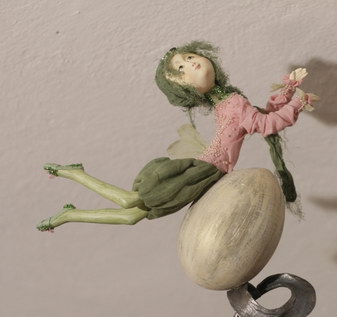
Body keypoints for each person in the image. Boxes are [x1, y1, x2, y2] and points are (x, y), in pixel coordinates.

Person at [37, 41, 316, 232]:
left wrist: (290, 89)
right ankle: (75, 175)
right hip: (205, 169)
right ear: (184, 89)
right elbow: (266, 123)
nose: (190, 64)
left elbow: (263, 118)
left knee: (133, 216)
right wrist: (298, 102)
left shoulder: (229, 99)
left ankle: (71, 211)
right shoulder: (230, 101)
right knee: (130, 202)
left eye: (190, 58)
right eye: (181, 69)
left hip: (209, 170)